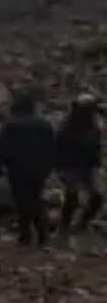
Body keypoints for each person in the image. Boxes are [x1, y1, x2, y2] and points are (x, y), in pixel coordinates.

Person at [0, 96, 56, 246]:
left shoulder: (11, 125)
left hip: (17, 169)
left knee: (22, 202)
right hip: (39, 170)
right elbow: (52, 148)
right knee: (36, 199)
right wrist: (49, 167)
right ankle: (42, 235)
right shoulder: (44, 124)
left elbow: (1, 148)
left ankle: (25, 235)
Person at [56, 94, 103, 238]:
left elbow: (95, 147)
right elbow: (60, 147)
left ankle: (81, 224)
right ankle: (64, 226)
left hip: (86, 166)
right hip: (70, 166)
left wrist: (96, 161)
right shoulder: (68, 126)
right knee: (72, 196)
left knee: (97, 196)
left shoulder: (92, 126)